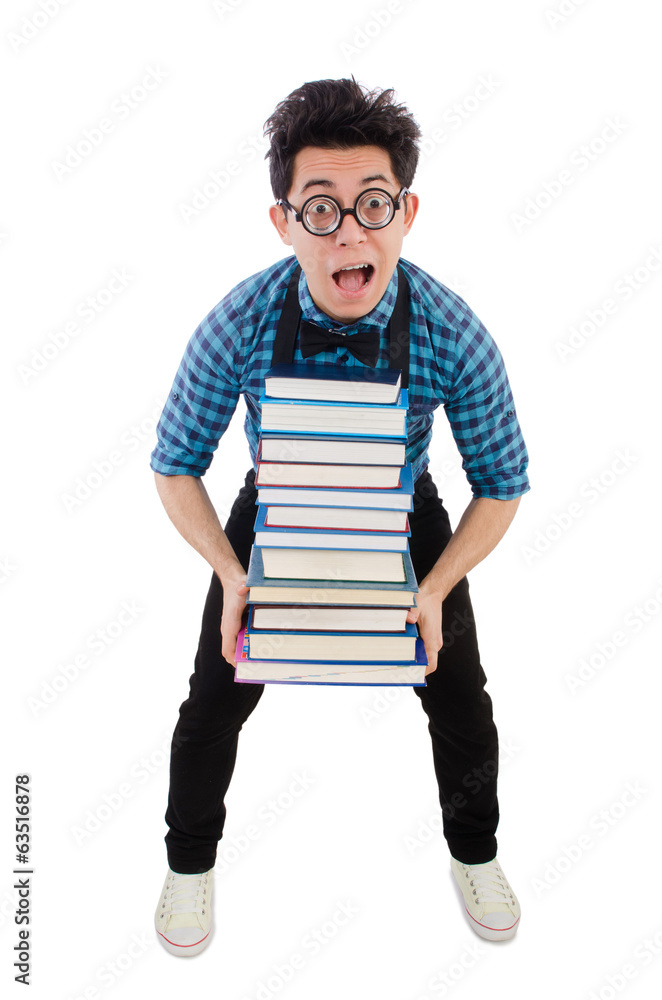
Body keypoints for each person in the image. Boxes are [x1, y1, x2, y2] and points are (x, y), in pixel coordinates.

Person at [150, 78, 529, 957]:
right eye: (320, 210)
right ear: (282, 221)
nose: (349, 231)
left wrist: (434, 587)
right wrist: (232, 572)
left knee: (461, 702)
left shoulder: (452, 330)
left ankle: (475, 852)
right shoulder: (240, 319)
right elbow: (175, 466)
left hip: (404, 511)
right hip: (276, 505)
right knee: (213, 701)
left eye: (371, 205)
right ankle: (188, 865)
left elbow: (502, 482)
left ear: (407, 213)